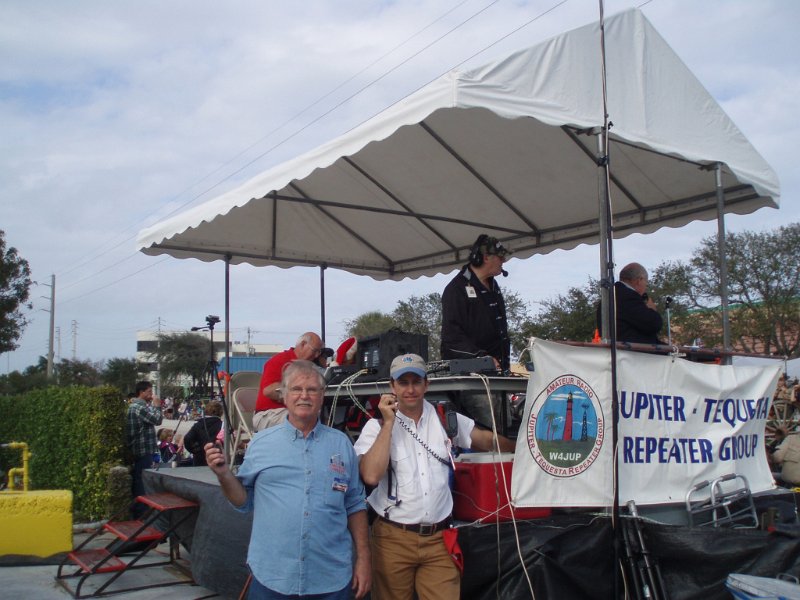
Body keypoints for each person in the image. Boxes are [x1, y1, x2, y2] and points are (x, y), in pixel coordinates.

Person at [205, 360, 370, 599]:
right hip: (273, 578)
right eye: (296, 389)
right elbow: (243, 501)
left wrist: (364, 561)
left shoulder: (341, 444)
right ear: (284, 395)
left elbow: (355, 504)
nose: (304, 396)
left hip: (330, 580)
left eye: (312, 389)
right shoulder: (261, 444)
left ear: (322, 396)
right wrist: (223, 475)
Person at [354, 353, 514, 600]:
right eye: (403, 383)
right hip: (393, 538)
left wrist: (523, 448)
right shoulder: (376, 426)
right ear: (392, 386)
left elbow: (486, 440)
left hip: (439, 539)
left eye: (416, 382)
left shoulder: (444, 417)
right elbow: (371, 475)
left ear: (426, 384)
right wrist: (387, 424)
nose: (410, 389)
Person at [441, 234, 512, 372]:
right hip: (471, 377)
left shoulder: (494, 286)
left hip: (497, 372)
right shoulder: (456, 289)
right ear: (486, 258)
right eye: (500, 257)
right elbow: (452, 338)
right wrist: (481, 358)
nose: (503, 261)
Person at [253, 332, 324, 432]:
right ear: (303, 344)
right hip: (268, 414)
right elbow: (268, 390)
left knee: (321, 416)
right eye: (315, 351)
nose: (316, 355)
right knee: (303, 417)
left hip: (290, 412)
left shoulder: (311, 366)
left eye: (319, 352)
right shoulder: (279, 361)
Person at [125, 380, 162, 517]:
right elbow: (157, 420)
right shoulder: (138, 407)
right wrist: (157, 406)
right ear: (141, 392)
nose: (151, 394)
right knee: (141, 481)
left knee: (140, 479)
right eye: (149, 392)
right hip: (142, 450)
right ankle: (140, 512)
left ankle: (140, 509)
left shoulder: (136, 406)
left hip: (141, 450)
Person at [608, 262, 663, 344]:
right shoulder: (628, 297)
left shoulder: (611, 295)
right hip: (635, 352)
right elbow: (653, 324)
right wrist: (652, 311)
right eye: (646, 282)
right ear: (639, 280)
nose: (646, 286)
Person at [183, 401, 224, 466]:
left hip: (200, 460)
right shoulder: (222, 425)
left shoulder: (198, 425)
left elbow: (187, 438)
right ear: (220, 412)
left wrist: (196, 451)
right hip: (217, 458)